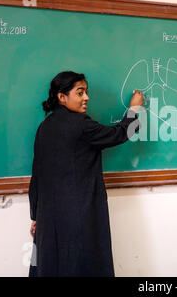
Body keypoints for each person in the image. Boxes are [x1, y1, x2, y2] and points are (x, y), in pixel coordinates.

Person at [28, 71, 143, 277]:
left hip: (49, 217)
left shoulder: (44, 127)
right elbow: (120, 133)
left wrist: (36, 216)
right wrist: (135, 107)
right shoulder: (81, 125)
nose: (86, 98)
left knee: (52, 266)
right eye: (80, 93)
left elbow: (37, 173)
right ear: (62, 97)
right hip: (78, 215)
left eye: (86, 92)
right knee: (82, 266)